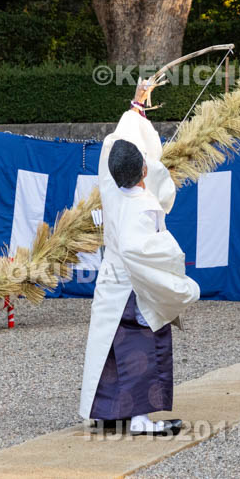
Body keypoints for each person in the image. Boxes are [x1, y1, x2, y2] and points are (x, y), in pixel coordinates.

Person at [78, 78, 200, 436]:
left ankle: (109, 412)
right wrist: (177, 275)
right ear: (144, 170)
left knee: (110, 349)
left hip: (111, 283)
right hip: (134, 288)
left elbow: (118, 140)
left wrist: (138, 103)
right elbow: (142, 251)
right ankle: (140, 419)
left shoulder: (109, 185)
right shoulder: (142, 205)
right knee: (141, 348)